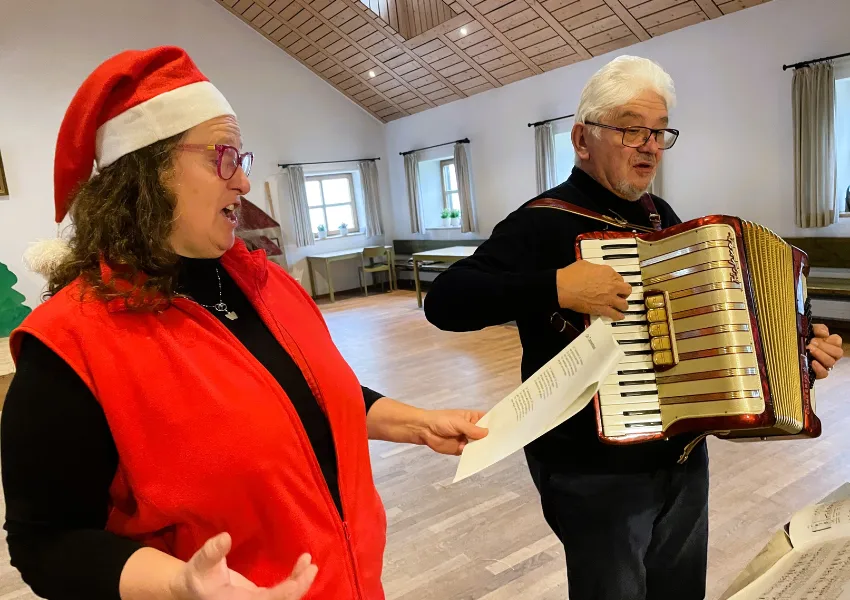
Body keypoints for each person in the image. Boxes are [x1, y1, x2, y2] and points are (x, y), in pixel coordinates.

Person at [0, 46, 488, 600]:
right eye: (221, 157)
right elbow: (48, 542)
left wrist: (418, 424)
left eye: (241, 158)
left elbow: (313, 393)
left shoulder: (269, 286)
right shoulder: (69, 342)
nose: (244, 184)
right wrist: (180, 585)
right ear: (143, 174)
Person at [423, 55, 844, 599]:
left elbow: (709, 321)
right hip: (593, 472)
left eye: (658, 131)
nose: (648, 144)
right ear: (582, 138)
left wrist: (794, 352)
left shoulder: (660, 216)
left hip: (683, 455)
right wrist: (555, 287)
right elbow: (446, 301)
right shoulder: (539, 222)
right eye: (630, 128)